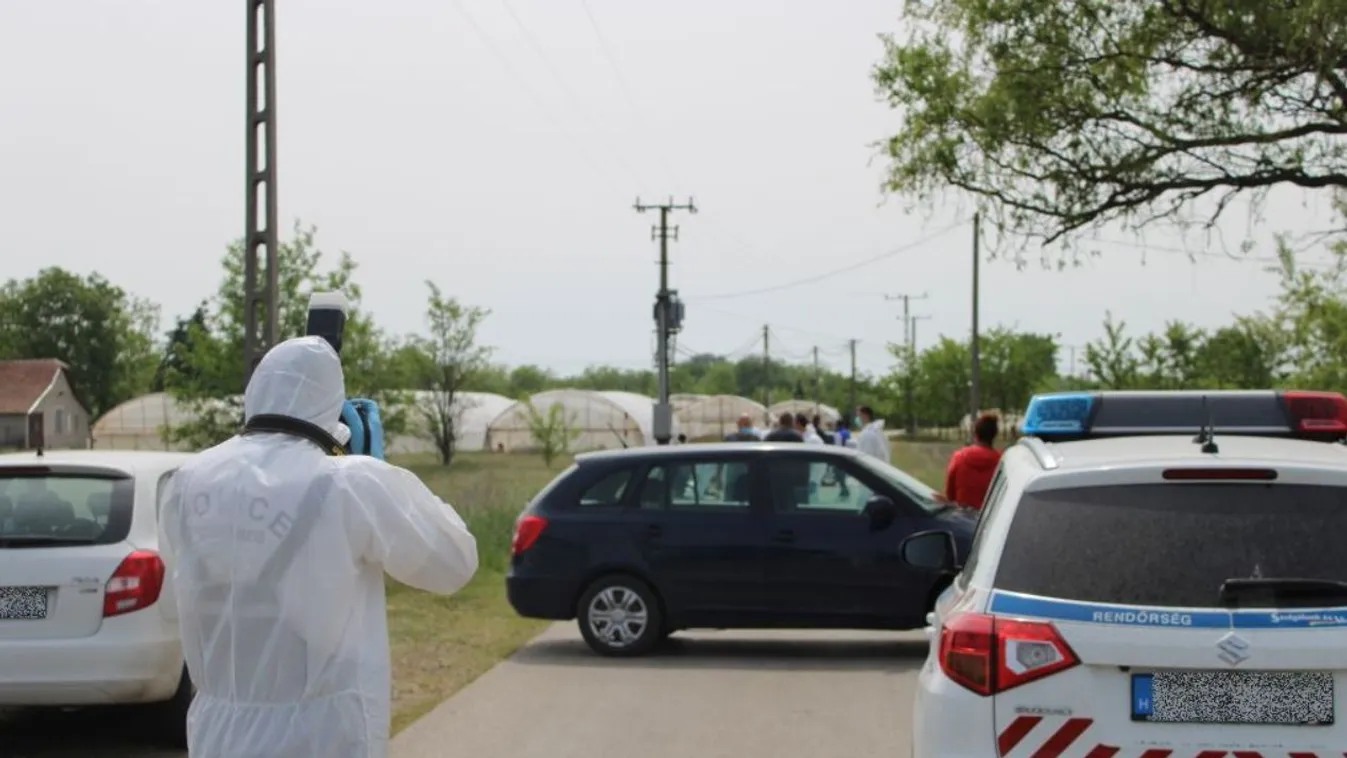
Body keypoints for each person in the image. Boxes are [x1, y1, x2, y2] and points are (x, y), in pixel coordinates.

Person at [158, 336, 479, 758]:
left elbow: (178, 595)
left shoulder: (188, 480)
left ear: (257, 391)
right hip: (321, 734)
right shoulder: (350, 482)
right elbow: (453, 563)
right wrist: (383, 474)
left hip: (218, 732)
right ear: (333, 407)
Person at [945, 412, 1003, 509]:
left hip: (962, 514)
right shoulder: (1001, 463)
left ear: (975, 433)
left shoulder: (959, 457)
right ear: (994, 435)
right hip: (989, 516)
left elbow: (950, 495)